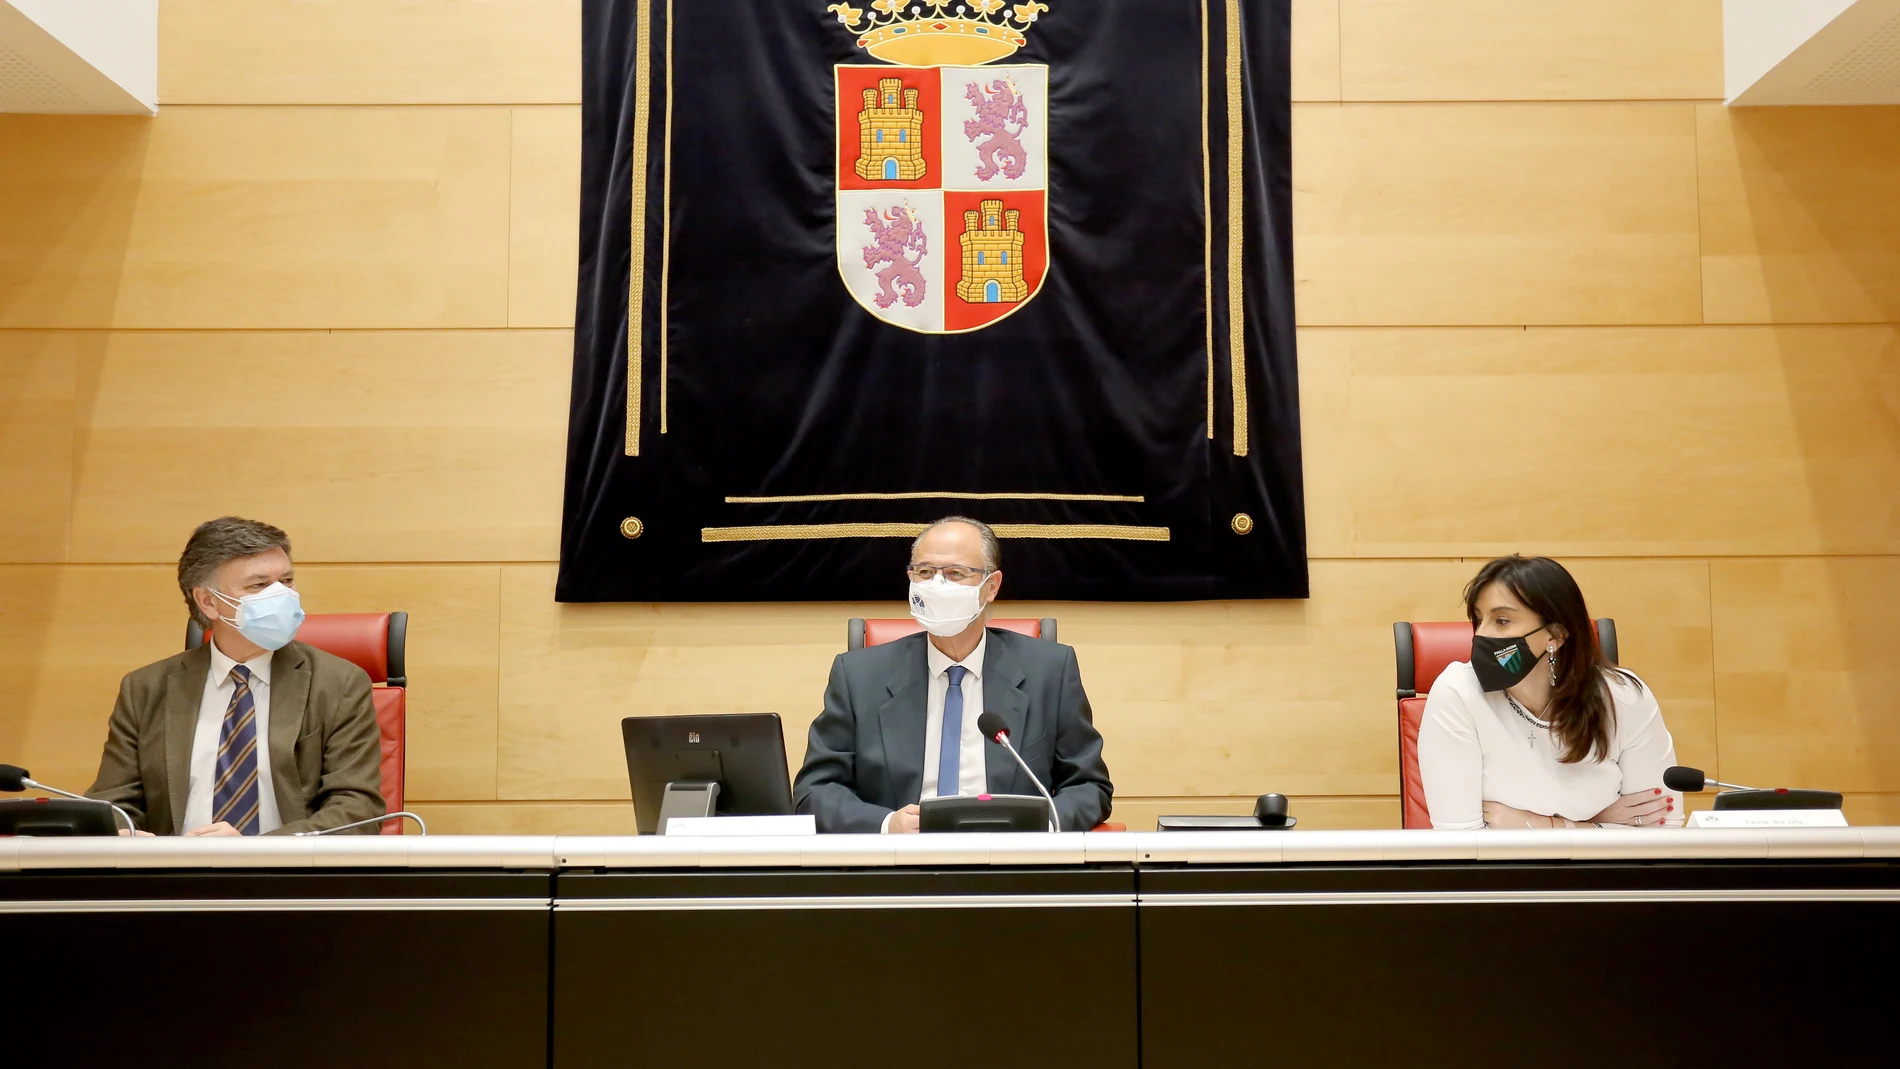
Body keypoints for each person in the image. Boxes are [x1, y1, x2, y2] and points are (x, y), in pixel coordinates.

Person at [794, 516, 1113, 832]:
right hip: (901, 857)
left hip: (1010, 855)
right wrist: (887, 825)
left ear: (991, 587)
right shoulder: (859, 676)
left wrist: (1039, 826)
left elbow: (1089, 785)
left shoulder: (1049, 671)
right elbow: (815, 790)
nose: (936, 585)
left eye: (955, 573)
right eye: (924, 572)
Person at [87, 517, 385, 836]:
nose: (281, 595)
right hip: (176, 865)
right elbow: (113, 803)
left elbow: (357, 810)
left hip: (285, 865)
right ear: (208, 602)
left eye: (286, 581)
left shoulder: (338, 684)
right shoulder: (146, 689)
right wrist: (122, 833)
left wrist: (254, 851)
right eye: (258, 585)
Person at [1419, 554, 1681, 830]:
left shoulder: (1623, 697)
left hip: (1602, 863)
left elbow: (1662, 831)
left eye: (1502, 620)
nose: (1482, 635)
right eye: (1478, 619)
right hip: (1508, 865)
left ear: (1555, 634)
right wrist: (1596, 824)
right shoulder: (1458, 693)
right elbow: (1462, 841)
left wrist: (1541, 824)